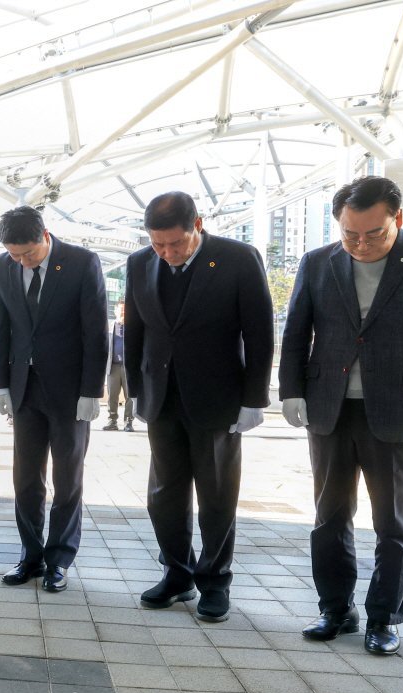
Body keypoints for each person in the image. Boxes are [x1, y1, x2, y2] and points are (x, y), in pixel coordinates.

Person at [280, 176, 403, 655]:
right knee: (329, 517)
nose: (360, 244)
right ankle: (335, 609)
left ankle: (384, 617)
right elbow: (297, 333)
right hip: (330, 409)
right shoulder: (317, 262)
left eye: (374, 233)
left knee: (395, 523)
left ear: (398, 220)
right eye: (350, 234)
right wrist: (291, 391)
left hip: (400, 412)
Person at [124, 192, 274, 623]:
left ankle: (215, 581)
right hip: (162, 396)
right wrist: (135, 388)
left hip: (218, 399)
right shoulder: (139, 263)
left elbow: (260, 332)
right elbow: (136, 331)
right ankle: (177, 573)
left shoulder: (238, 258)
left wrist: (254, 398)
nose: (167, 253)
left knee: (216, 497)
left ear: (198, 225)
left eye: (176, 243)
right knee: (163, 495)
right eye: (158, 244)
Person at [0, 206, 108, 593]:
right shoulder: (1, 267)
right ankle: (30, 555)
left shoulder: (81, 262)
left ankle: (59, 559)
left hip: (70, 391)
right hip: (25, 388)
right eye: (14, 255)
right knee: (25, 479)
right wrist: (0, 384)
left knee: (67, 477)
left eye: (28, 253)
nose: (21, 261)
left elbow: (96, 331)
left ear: (45, 235)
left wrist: (92, 390)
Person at [104, 301, 134, 432]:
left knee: (130, 396)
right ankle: (112, 421)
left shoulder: (133, 327)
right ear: (115, 311)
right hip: (113, 367)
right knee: (112, 396)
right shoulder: (110, 327)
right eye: (120, 310)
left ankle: (128, 422)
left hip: (128, 367)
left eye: (124, 310)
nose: (122, 312)